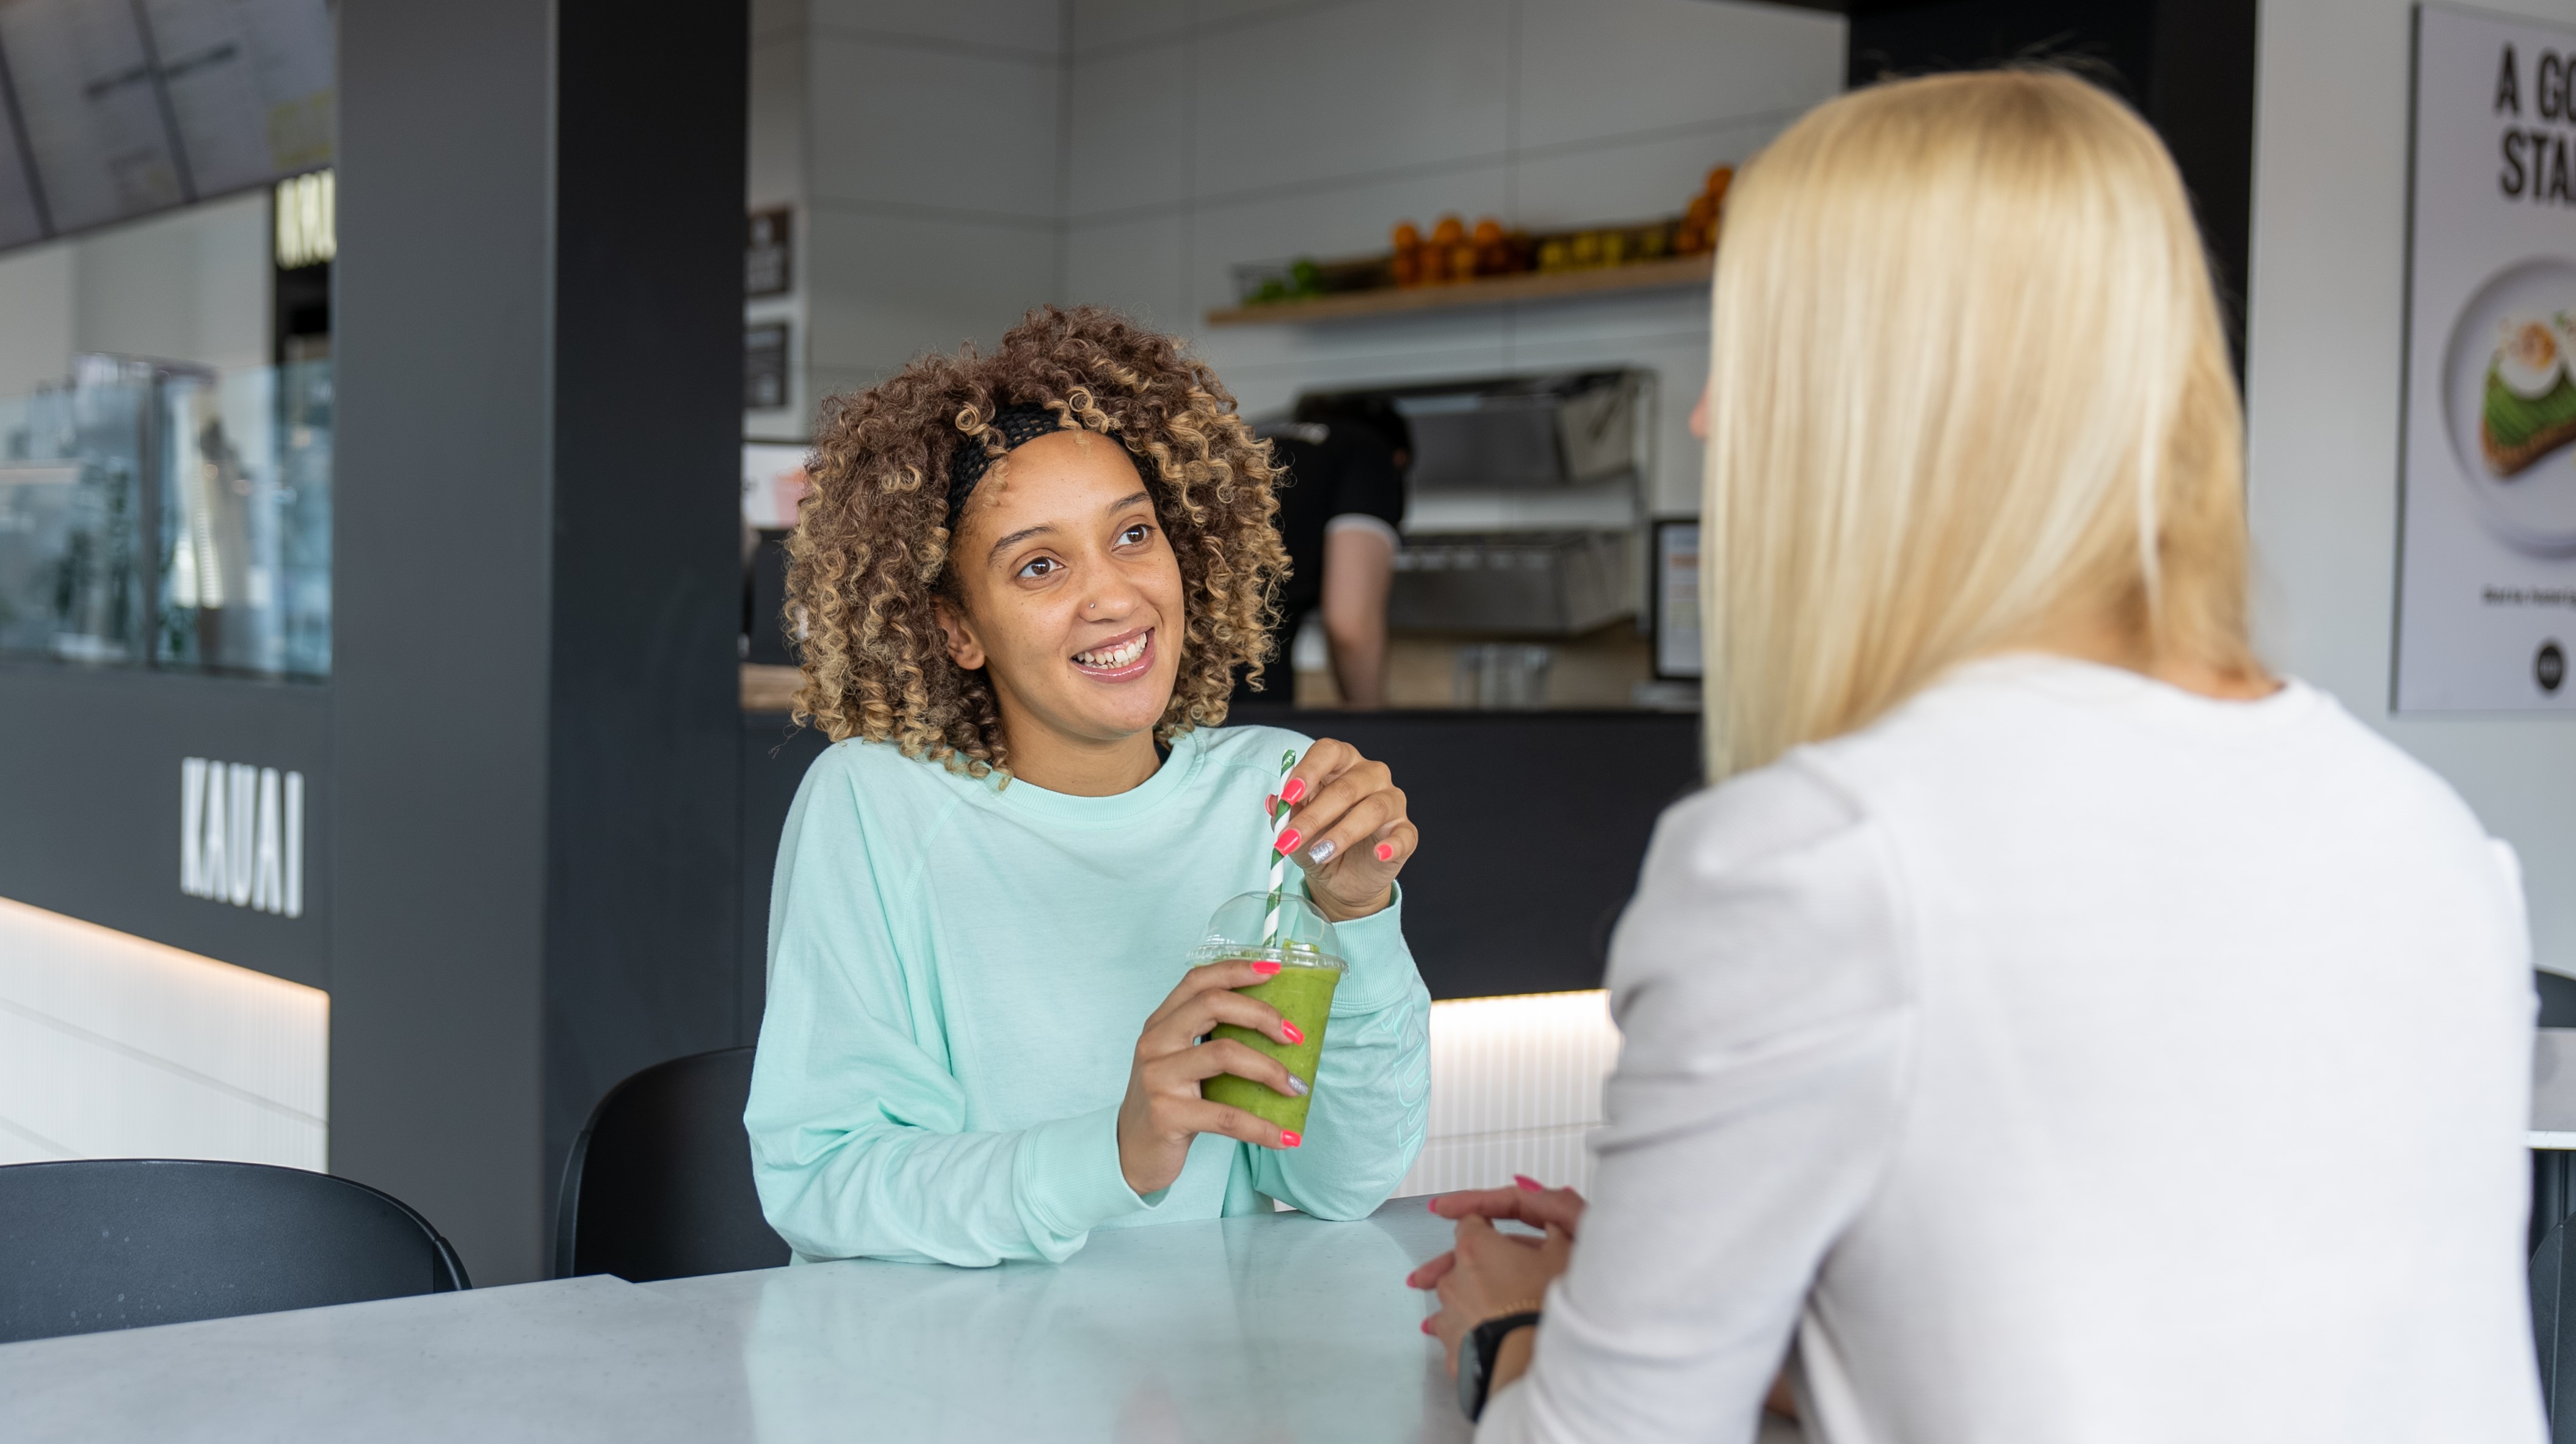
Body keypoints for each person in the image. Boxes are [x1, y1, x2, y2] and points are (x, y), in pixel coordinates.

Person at [1413, 69, 2545, 1443]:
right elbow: (2175, 1350)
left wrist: (1521, 1331)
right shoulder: (2428, 835)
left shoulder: (1821, 858)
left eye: (1746, 351)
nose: (1708, 419)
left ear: (1880, 398)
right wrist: (1703, 1301)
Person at [747, 306, 1432, 1266]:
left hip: (1197, 1381)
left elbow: (1333, 1183)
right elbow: (824, 1184)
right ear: (956, 629)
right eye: (1038, 565)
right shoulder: (875, 805)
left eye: (1133, 534)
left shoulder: (1270, 794)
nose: (1113, 595)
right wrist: (1110, 1154)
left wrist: (1358, 916)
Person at [1236, 397, 1410, 709]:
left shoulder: (1255, 435)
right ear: (1401, 459)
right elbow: (1350, 625)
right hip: (1241, 673)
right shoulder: (1372, 454)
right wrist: (1376, 726)